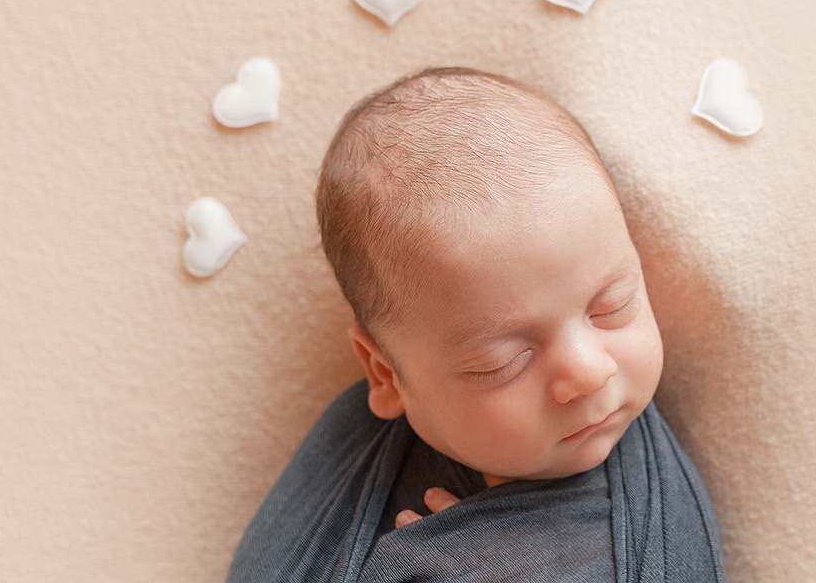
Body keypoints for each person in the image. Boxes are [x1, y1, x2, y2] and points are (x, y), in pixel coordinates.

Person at [228, 67, 725, 582]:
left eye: (612, 306)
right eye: (504, 362)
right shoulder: (349, 457)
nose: (589, 371)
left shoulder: (642, 530)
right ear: (385, 374)